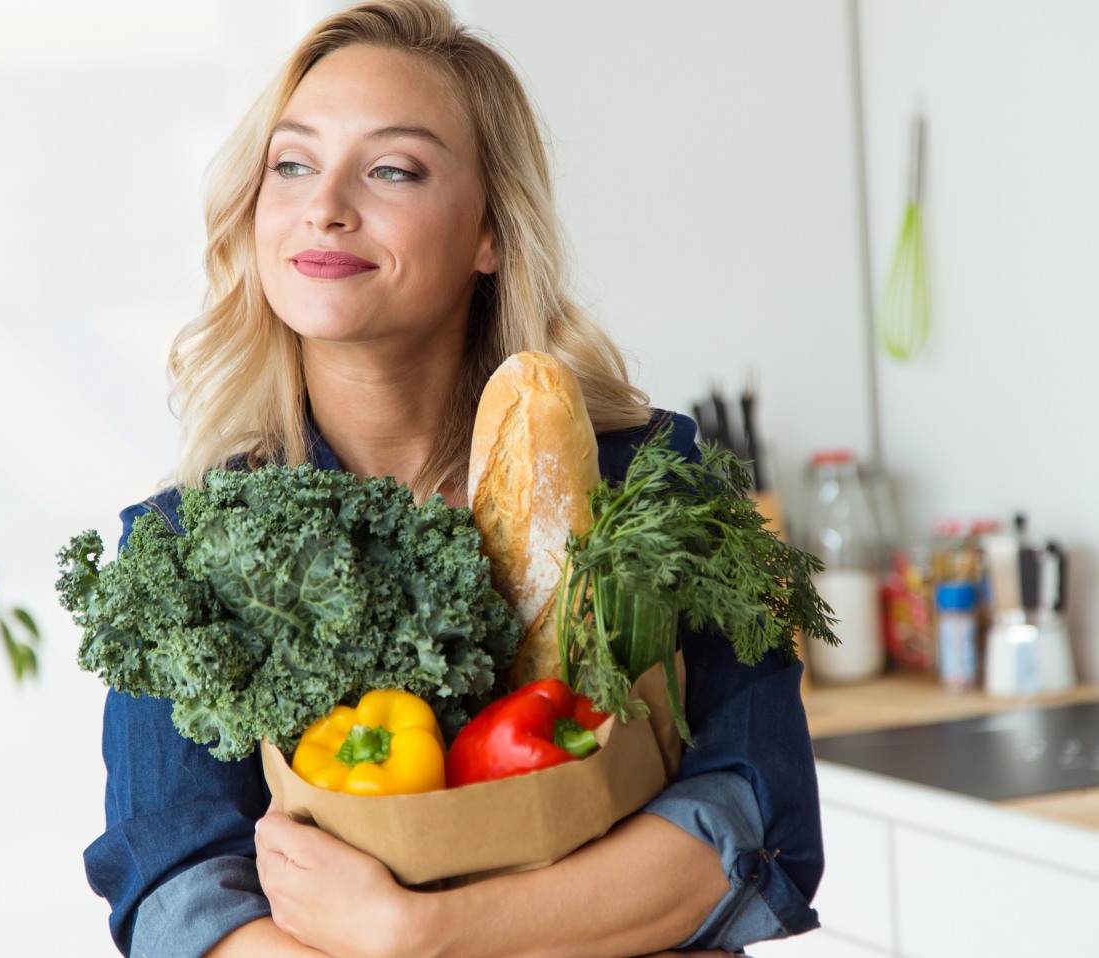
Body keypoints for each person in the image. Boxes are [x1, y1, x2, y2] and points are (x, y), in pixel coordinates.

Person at [83, 2, 823, 956]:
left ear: (492, 232)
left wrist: (422, 933)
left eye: (391, 168)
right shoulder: (184, 551)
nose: (326, 205)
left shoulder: (652, 485)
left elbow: (752, 820)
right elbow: (181, 898)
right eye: (293, 163)